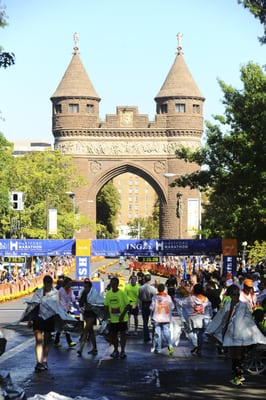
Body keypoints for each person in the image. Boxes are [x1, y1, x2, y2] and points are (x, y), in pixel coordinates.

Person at [206, 284, 266, 386]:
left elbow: (221, 319)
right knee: (237, 356)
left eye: (237, 294)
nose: (236, 296)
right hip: (241, 334)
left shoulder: (232, 305)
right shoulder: (239, 305)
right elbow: (248, 319)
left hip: (235, 334)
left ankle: (238, 376)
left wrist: (212, 330)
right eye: (235, 294)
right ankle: (238, 375)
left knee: (235, 356)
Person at [26, 275, 58, 372]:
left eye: (49, 283)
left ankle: (45, 360)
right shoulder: (38, 293)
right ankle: (39, 362)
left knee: (47, 341)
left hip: (49, 319)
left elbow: (57, 307)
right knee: (39, 340)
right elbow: (32, 306)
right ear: (44, 284)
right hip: (38, 318)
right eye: (47, 283)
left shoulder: (55, 293)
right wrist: (30, 319)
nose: (48, 286)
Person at [176, 283, 212, 356]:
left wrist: (175, 299)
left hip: (192, 319)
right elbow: (209, 307)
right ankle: (199, 349)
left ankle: (195, 344)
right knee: (201, 334)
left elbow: (182, 303)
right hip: (203, 318)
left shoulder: (191, 298)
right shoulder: (205, 299)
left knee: (189, 332)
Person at [104, 276, 130, 359]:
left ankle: (122, 350)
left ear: (118, 284)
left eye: (115, 284)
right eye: (112, 284)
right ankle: (115, 350)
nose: (113, 285)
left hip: (122, 319)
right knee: (114, 335)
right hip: (113, 319)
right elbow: (106, 306)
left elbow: (128, 305)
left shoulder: (122, 293)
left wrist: (122, 315)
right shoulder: (108, 294)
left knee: (123, 335)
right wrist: (106, 316)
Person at [77, 278, 104, 356]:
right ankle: (94, 348)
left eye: (86, 287)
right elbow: (80, 302)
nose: (85, 288)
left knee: (85, 330)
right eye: (84, 287)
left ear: (89, 287)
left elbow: (99, 302)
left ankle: (80, 349)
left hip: (92, 314)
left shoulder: (94, 293)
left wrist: (91, 306)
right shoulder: (83, 292)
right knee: (90, 331)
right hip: (86, 313)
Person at [150, 283, 174, 355]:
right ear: (164, 289)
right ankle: (170, 345)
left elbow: (151, 307)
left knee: (158, 334)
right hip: (166, 318)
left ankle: (158, 348)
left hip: (157, 318)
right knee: (166, 332)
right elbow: (172, 307)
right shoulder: (168, 297)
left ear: (157, 289)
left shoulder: (155, 297)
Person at [54, 276, 77, 348]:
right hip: (61, 310)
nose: (70, 285)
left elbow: (73, 300)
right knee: (65, 325)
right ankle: (69, 341)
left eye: (71, 284)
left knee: (61, 327)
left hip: (67, 310)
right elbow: (56, 300)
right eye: (69, 284)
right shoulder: (60, 291)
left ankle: (56, 341)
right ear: (65, 283)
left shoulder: (71, 291)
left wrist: (77, 308)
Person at [138, 274, 156, 342]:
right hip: (151, 303)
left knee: (145, 321)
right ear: (150, 279)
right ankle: (154, 335)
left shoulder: (141, 288)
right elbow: (154, 297)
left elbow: (139, 297)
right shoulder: (152, 288)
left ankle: (146, 336)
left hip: (144, 304)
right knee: (153, 320)